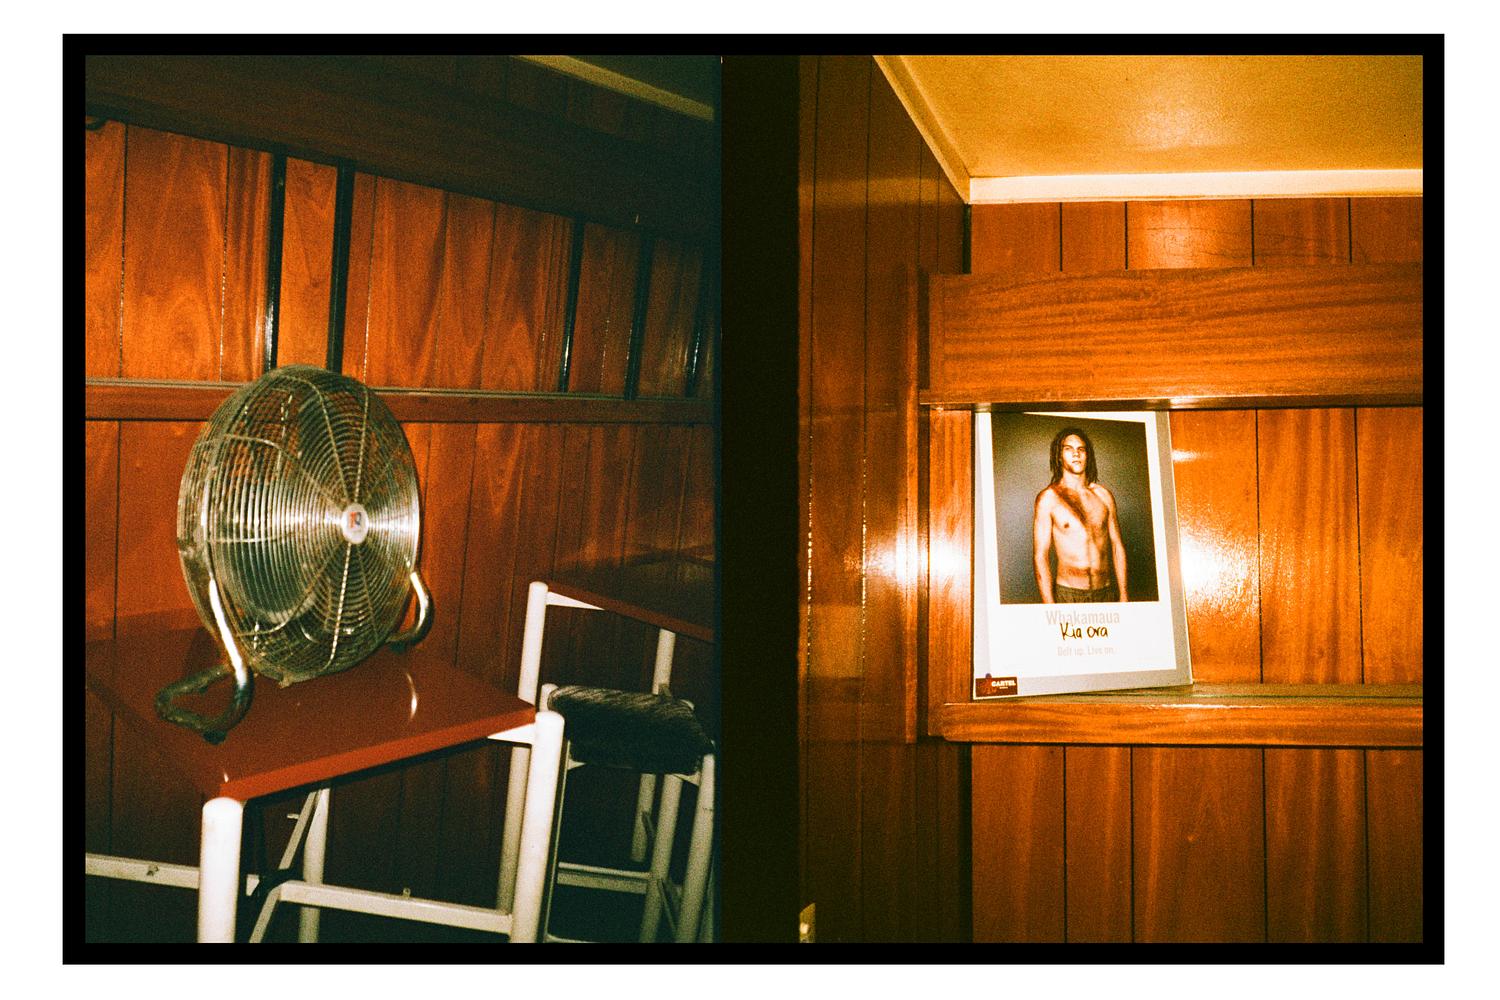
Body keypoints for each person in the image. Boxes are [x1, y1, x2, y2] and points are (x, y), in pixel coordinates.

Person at [1032, 427, 1127, 603]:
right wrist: (1049, 605)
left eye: (1081, 449)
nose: (1076, 454)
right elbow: (1040, 555)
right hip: (1069, 594)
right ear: (1059, 456)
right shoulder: (1049, 498)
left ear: (1087, 455)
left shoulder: (1103, 495)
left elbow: (1117, 546)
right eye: (1068, 449)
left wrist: (1123, 594)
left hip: (1105, 593)